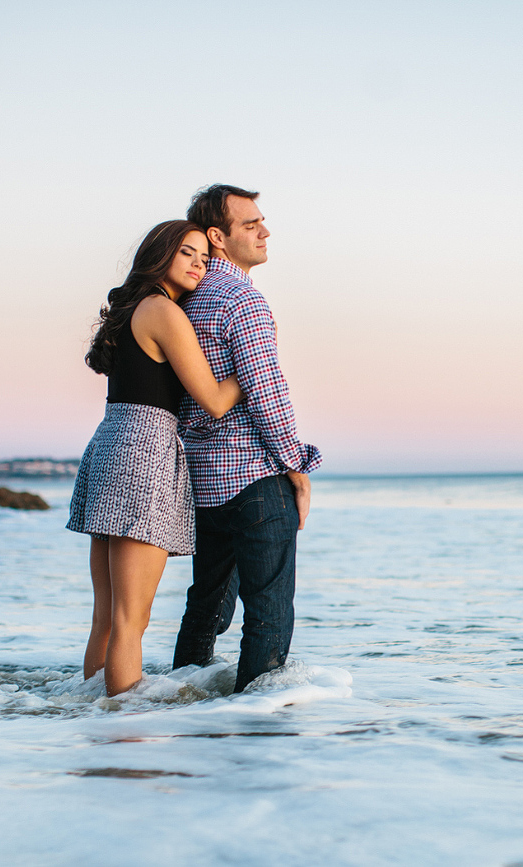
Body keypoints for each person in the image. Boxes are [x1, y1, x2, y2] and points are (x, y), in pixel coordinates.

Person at [67, 220, 244, 696]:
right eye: (187, 253)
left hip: (112, 445)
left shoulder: (130, 311)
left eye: (205, 259)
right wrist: (254, 366)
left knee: (107, 616)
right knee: (132, 618)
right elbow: (213, 398)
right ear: (159, 254)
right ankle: (124, 738)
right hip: (144, 454)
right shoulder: (163, 312)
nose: (198, 264)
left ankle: (95, 722)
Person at [172, 184, 322, 693]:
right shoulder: (242, 299)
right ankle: (257, 736)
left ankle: (183, 707)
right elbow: (266, 393)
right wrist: (296, 466)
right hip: (255, 478)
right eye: (251, 224)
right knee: (268, 616)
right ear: (218, 236)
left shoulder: (185, 301)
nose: (265, 231)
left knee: (205, 607)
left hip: (203, 483)